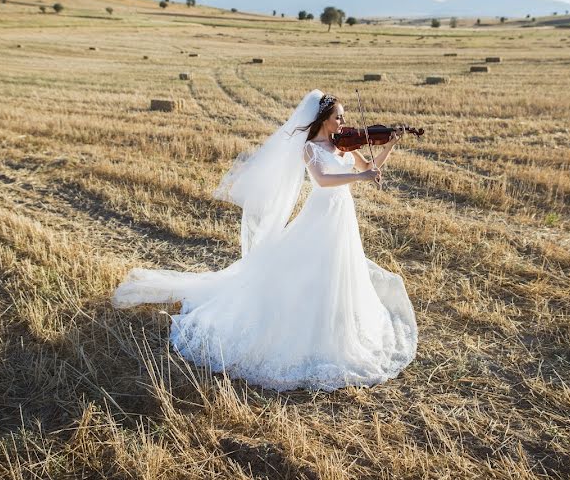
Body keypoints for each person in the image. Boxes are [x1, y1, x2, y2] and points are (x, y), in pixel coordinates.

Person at [112, 89, 418, 392]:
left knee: (339, 269)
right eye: (338, 117)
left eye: (344, 118)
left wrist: (388, 145)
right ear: (323, 119)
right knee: (311, 268)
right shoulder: (310, 148)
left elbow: (369, 169)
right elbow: (324, 181)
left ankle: (337, 324)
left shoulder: (345, 145)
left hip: (343, 215)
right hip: (322, 213)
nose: (343, 122)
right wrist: (359, 178)